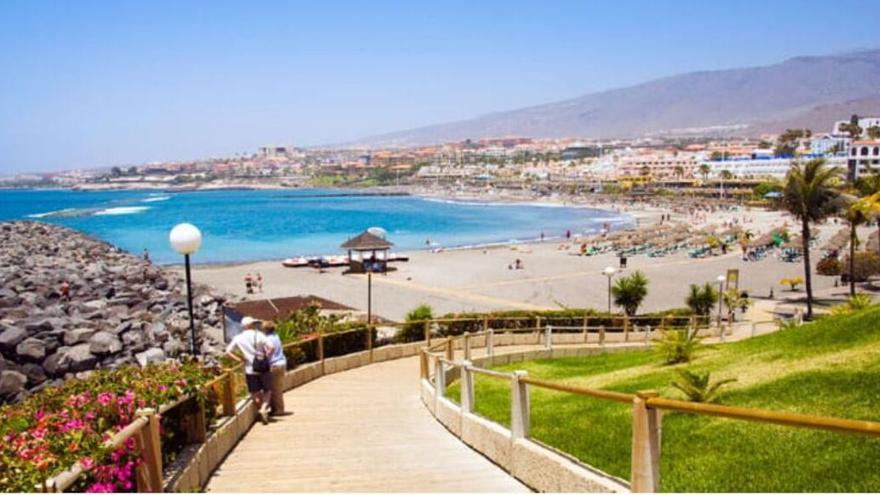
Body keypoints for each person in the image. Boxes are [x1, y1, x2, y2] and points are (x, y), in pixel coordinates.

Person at [225, 317, 275, 424]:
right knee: (267, 390)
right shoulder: (259, 335)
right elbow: (271, 347)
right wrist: (266, 357)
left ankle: (259, 409)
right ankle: (264, 408)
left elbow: (228, 351)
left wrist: (239, 359)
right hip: (263, 366)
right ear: (251, 325)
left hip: (249, 368)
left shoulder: (238, 338)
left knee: (254, 392)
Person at [261, 320, 288, 416]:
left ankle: (279, 410)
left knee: (275, 388)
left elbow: (270, 349)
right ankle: (275, 408)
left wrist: (265, 358)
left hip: (274, 364)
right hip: (282, 362)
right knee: (277, 387)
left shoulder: (268, 339)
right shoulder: (276, 336)